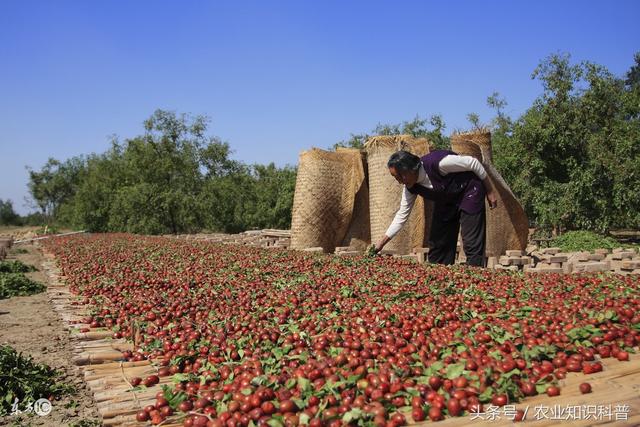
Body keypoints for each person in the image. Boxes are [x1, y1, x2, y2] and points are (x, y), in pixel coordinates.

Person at [374, 150, 498, 266]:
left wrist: (490, 190)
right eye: (396, 178)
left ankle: (475, 276)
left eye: (400, 176)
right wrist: (382, 243)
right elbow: (402, 216)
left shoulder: (438, 163)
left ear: (411, 169)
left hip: (468, 191)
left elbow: (473, 163)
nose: (399, 181)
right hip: (446, 200)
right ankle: (441, 279)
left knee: (472, 242)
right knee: (438, 245)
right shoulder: (410, 188)